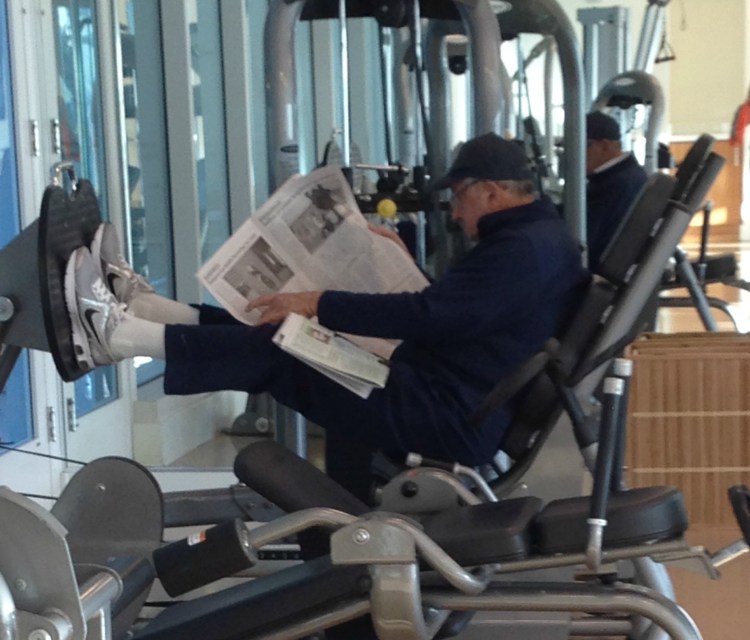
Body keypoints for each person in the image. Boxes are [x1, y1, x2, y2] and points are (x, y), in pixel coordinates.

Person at [63, 133, 590, 498]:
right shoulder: (538, 240)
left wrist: (318, 301)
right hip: (444, 391)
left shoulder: (523, 250)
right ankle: (148, 312)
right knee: (288, 330)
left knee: (283, 349)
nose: (454, 212)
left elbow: (437, 316)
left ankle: (118, 338)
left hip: (446, 411)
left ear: (491, 193)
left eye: (458, 198)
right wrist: (402, 270)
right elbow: (469, 312)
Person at [585, 111, 649, 274]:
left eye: (580, 146)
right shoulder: (629, 175)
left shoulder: (614, 185)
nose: (572, 155)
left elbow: (583, 238)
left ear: (605, 146)